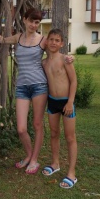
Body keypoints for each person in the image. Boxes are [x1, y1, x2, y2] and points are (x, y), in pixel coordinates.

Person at [0, 9, 73, 174]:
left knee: (37, 124)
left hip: (39, 85)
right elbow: (2, 40)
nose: (33, 25)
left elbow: (56, 50)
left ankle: (34, 159)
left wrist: (69, 57)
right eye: (31, 21)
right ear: (24, 20)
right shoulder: (18, 38)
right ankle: (29, 154)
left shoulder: (43, 40)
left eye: (37, 22)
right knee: (21, 128)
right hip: (22, 87)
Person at [41, 28, 78, 189]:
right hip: (52, 102)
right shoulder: (44, 62)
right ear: (46, 41)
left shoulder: (65, 60)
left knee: (70, 137)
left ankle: (71, 172)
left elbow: (74, 81)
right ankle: (55, 163)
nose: (54, 43)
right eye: (51, 39)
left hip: (66, 103)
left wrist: (70, 102)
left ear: (62, 43)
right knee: (54, 134)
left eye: (57, 40)